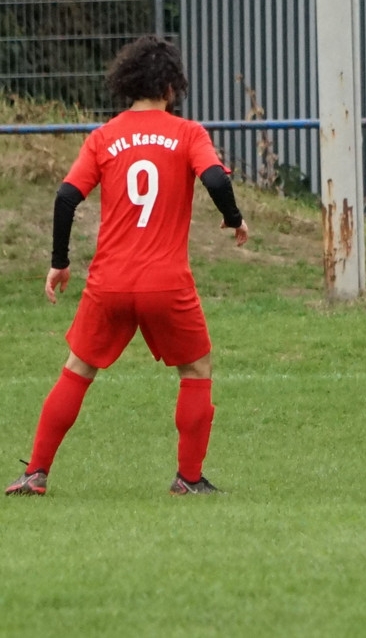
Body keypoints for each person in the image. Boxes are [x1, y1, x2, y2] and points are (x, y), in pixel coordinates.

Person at [5, 35, 249, 497]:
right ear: (172, 87)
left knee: (77, 369)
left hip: (109, 283)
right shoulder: (188, 133)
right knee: (196, 369)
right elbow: (216, 178)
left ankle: (35, 473)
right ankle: (188, 479)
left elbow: (65, 197)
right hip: (166, 283)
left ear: (128, 82)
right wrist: (233, 218)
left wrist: (59, 263)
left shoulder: (105, 136)